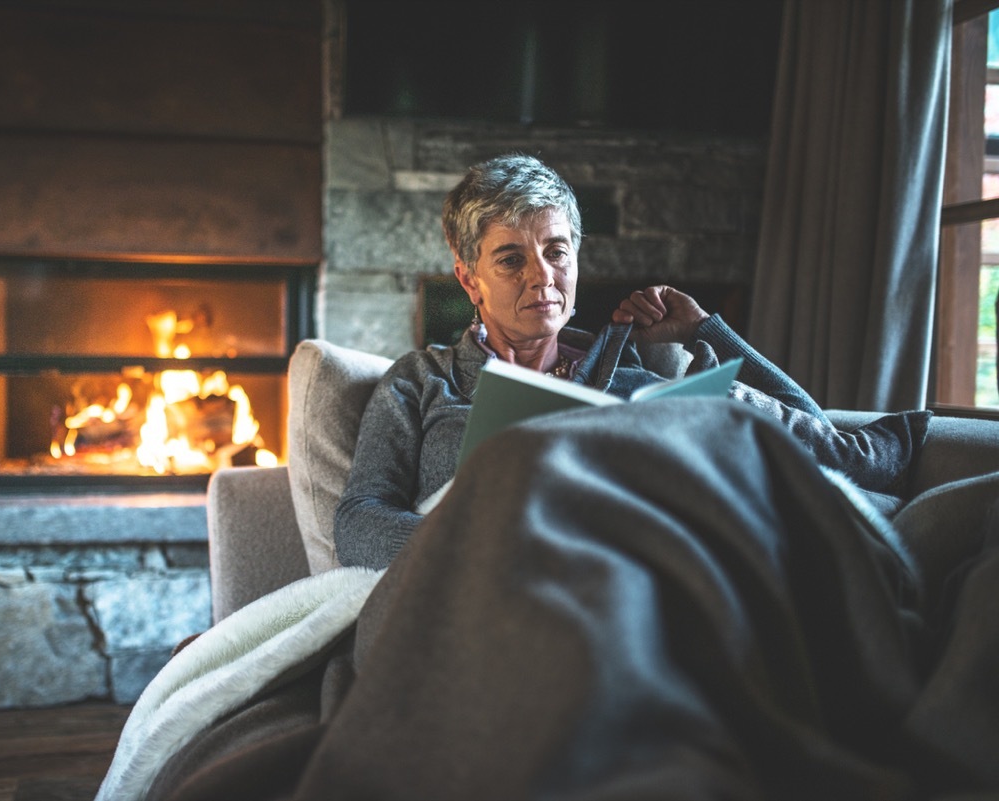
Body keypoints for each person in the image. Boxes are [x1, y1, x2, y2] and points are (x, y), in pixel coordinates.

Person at [334, 153, 928, 570]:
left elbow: (815, 439)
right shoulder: (421, 381)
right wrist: (478, 553)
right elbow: (359, 519)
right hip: (475, 584)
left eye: (556, 252)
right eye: (512, 259)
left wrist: (706, 333)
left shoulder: (634, 379)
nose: (543, 277)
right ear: (470, 279)